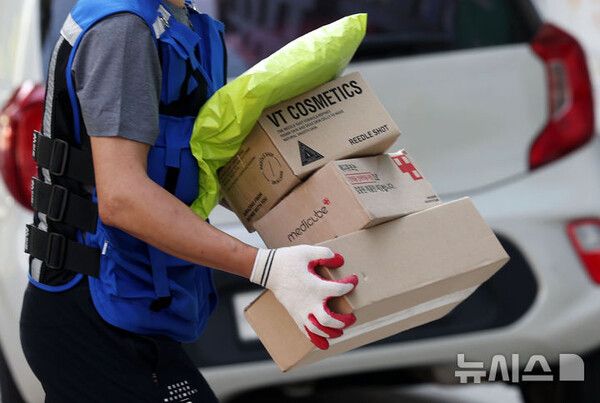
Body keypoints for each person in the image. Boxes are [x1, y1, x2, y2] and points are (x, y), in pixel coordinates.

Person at [19, 0, 359, 401]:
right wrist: (265, 268)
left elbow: (191, 166)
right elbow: (123, 198)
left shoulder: (181, 23)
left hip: (137, 309)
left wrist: (340, 204)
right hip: (91, 319)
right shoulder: (123, 30)